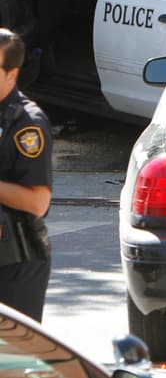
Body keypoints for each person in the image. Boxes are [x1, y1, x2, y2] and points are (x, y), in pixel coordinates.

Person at [0, 29, 52, 321]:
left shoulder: (27, 125)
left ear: (12, 74)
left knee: (12, 360)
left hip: (15, 264)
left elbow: (37, 202)